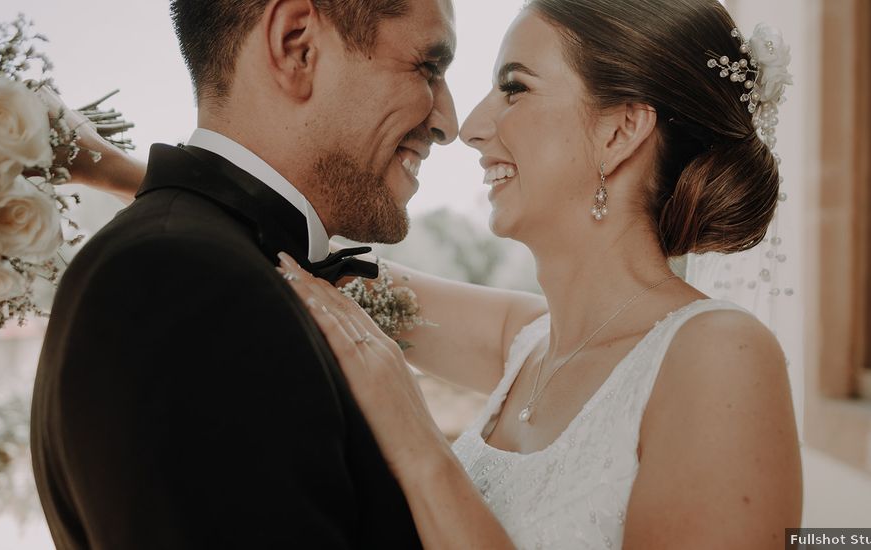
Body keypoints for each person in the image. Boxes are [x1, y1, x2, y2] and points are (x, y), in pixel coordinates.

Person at [61, 0, 803, 548]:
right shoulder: (531, 346)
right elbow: (301, 261)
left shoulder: (718, 357)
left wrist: (420, 450)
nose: (470, 124)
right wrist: (110, 167)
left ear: (619, 131)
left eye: (514, 86)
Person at [30, 0, 458, 548]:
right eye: (427, 66)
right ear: (296, 46)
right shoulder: (181, 286)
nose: (447, 122)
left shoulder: (208, 261)